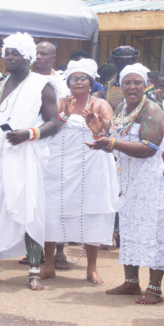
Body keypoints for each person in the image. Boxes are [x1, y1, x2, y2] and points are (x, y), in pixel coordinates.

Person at [0, 32, 60, 290]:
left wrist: (29, 134)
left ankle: (34, 271)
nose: (9, 57)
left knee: (27, 210)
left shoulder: (42, 85)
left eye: (16, 53)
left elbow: (54, 123)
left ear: (28, 57)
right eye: (7, 53)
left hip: (26, 157)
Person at [90, 64, 164, 304]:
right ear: (120, 86)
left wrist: (110, 144)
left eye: (137, 83)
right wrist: (98, 130)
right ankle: (131, 283)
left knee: (155, 232)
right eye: (127, 82)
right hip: (130, 180)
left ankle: (154, 288)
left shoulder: (153, 110)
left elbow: (149, 149)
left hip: (156, 180)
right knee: (129, 228)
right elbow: (112, 136)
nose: (132, 87)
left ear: (145, 85)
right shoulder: (120, 107)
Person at [41, 59, 117, 284]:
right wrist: (64, 115)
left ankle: (91, 269)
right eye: (74, 78)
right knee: (52, 209)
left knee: (92, 210)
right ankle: (48, 265)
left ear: (91, 82)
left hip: (93, 162)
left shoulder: (100, 104)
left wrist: (98, 126)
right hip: (60, 162)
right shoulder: (61, 101)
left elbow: (109, 132)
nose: (78, 82)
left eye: (83, 78)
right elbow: (51, 127)